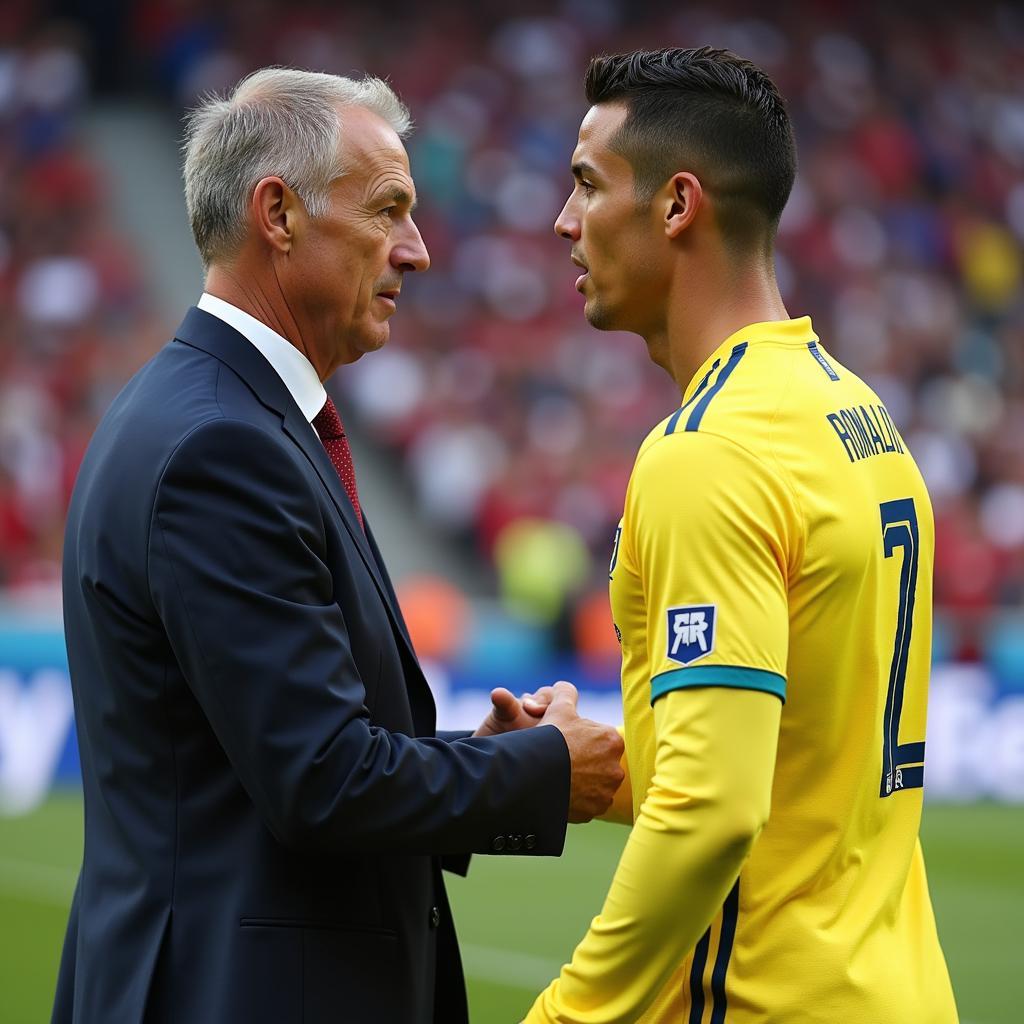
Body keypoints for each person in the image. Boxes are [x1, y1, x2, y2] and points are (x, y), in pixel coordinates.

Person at [51, 67, 624, 1024]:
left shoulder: (223, 414)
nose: (419, 250)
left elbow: (274, 753)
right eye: (388, 209)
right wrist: (545, 771)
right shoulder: (222, 445)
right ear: (276, 213)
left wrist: (477, 760)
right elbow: (320, 782)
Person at [525, 47, 959, 1023]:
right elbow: (796, 762)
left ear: (677, 205)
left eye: (587, 186)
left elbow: (711, 815)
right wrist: (594, 765)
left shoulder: (708, 452)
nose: (562, 222)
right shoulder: (857, 416)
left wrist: (565, 1015)